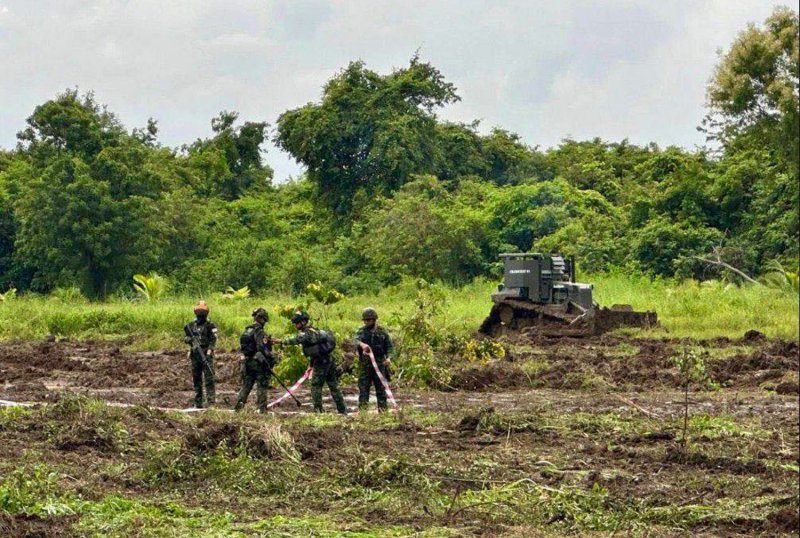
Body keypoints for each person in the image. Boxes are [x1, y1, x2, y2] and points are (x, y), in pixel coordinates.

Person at [276, 311, 347, 414]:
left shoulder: (307, 333)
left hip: (322, 362)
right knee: (333, 385)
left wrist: (280, 341)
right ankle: (343, 410)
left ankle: (318, 411)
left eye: (297, 323)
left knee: (316, 386)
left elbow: (296, 340)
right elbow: (315, 351)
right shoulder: (314, 331)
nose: (296, 325)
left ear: (304, 322)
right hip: (328, 360)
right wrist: (311, 365)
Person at [235, 307, 276, 413]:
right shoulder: (259, 331)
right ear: (261, 319)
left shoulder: (248, 329)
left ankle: (239, 407)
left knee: (247, 385)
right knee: (262, 385)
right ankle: (262, 409)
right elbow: (261, 347)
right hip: (258, 362)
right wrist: (271, 357)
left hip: (247, 361)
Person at [354, 307, 394, 412]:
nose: (366, 322)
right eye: (365, 320)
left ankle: (383, 412)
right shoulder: (361, 331)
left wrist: (389, 358)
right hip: (365, 364)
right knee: (363, 389)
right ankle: (363, 413)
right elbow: (355, 341)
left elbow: (390, 347)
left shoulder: (382, 332)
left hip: (380, 364)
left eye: (368, 320)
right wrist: (362, 345)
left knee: (381, 389)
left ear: (373, 319)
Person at [183, 301, 217, 408]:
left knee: (209, 379)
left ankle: (211, 402)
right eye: (199, 312)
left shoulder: (210, 325)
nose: (200, 315)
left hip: (206, 354)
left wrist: (209, 351)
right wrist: (190, 340)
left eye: (202, 312)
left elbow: (213, 339)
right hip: (195, 354)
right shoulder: (191, 325)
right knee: (196, 379)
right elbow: (186, 338)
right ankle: (198, 402)